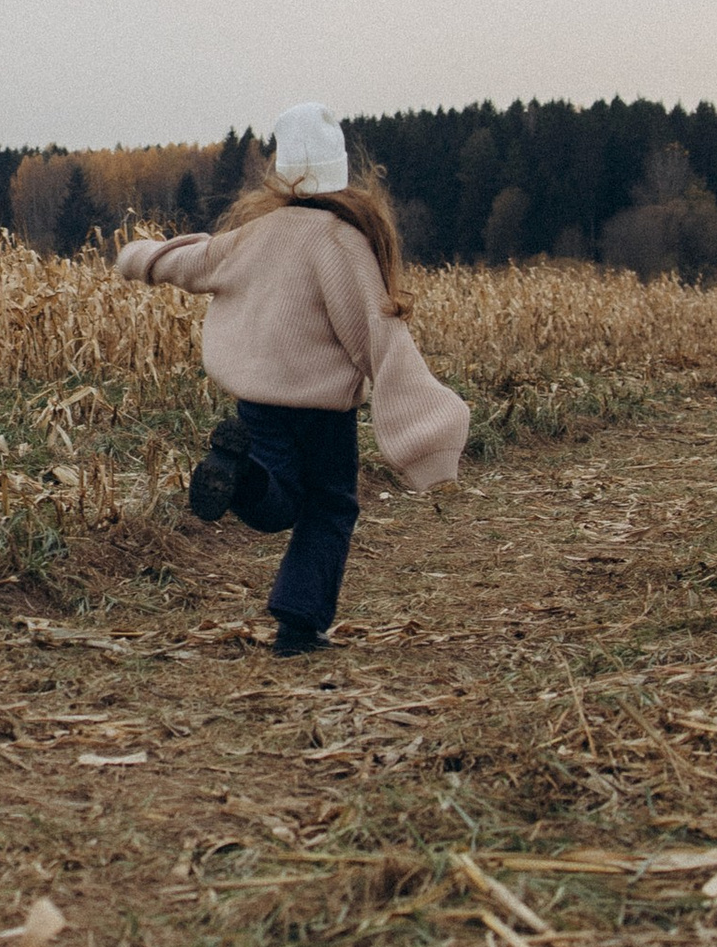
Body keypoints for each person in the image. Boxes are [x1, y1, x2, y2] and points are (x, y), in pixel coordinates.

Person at [110, 100, 466, 655]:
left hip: (257, 405)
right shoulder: (339, 240)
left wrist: (139, 258)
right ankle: (300, 626)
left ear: (280, 166)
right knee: (329, 507)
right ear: (340, 167)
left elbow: (194, 261)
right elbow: (377, 334)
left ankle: (242, 476)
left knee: (278, 501)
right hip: (321, 411)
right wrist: (429, 427)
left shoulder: (257, 234)